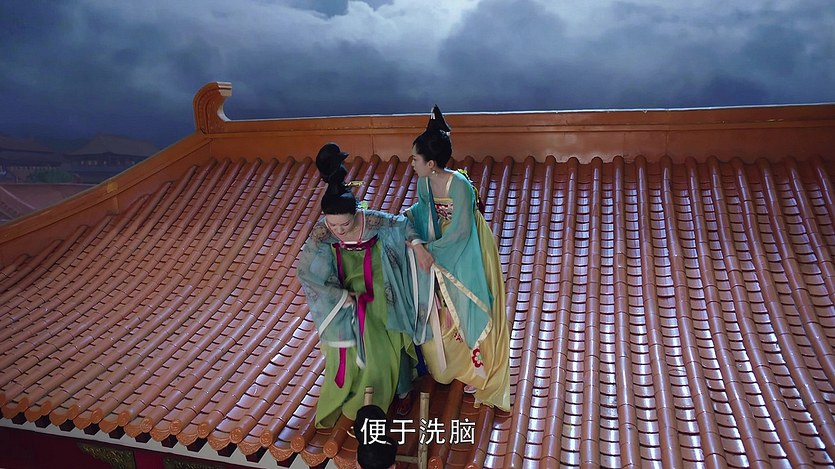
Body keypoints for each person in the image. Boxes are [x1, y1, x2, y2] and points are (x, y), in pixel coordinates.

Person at [297, 143, 421, 428]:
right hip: (347, 287)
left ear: (355, 214)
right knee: (347, 338)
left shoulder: (372, 220)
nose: (339, 231)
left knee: (389, 333)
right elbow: (306, 271)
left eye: (345, 225)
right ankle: (356, 388)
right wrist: (338, 295)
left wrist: (417, 246)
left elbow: (402, 225)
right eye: (333, 226)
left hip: (381, 282)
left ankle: (402, 389)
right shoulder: (322, 231)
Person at [404, 106, 511, 411]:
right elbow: (422, 211)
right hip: (441, 240)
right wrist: (409, 227)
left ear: (431, 163)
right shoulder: (424, 182)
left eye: (415, 159)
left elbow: (462, 230)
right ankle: (454, 360)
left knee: (471, 299)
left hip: (468, 244)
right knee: (443, 300)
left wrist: (429, 250)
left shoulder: (459, 185)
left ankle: (481, 367)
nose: (412, 163)